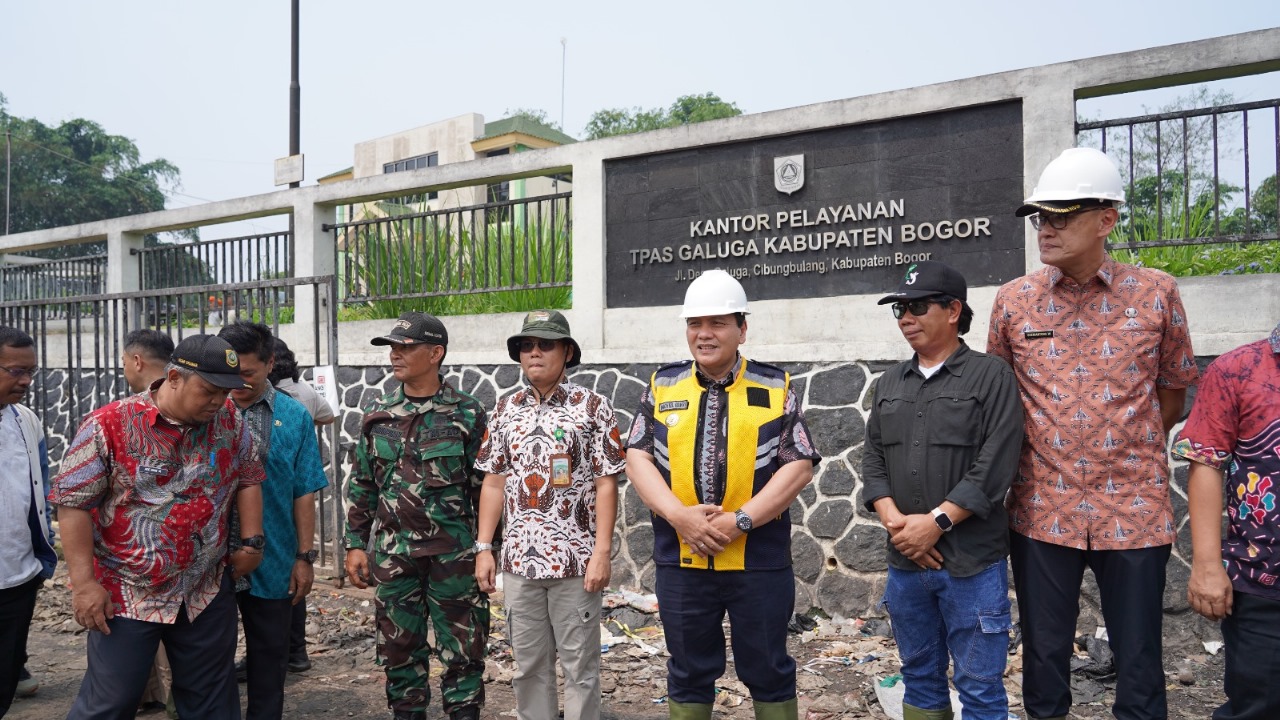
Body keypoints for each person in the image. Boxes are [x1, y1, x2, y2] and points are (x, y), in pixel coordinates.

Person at [987, 147, 1200, 720]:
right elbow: (1002, 399)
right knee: (1043, 655)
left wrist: (1120, 445)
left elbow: (1173, 391)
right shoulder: (1013, 301)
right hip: (1041, 507)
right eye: (1040, 217)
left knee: (1138, 657)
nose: (1046, 228)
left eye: (1062, 214)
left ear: (1106, 219)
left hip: (1133, 507)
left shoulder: (1157, 293)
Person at [625, 269, 821, 720]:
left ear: (742, 329)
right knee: (688, 670)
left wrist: (741, 521)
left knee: (769, 667)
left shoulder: (776, 387)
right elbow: (637, 458)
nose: (704, 334)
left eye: (718, 323)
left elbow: (799, 465)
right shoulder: (662, 385)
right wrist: (681, 518)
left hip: (759, 561)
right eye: (695, 324)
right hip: (683, 559)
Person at [50, 333, 266, 720]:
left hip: (204, 588)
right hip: (129, 592)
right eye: (210, 390)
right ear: (174, 378)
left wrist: (252, 542)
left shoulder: (230, 420)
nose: (218, 401)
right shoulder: (109, 424)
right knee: (111, 703)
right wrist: (84, 584)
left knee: (212, 703)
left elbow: (249, 476)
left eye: (227, 392)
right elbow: (73, 504)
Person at [860, 262, 1024, 720]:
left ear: (953, 310)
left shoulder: (991, 376)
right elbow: (873, 458)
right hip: (906, 562)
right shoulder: (890, 383)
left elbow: (996, 465)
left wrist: (936, 524)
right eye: (899, 310)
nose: (906, 318)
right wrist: (896, 523)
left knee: (978, 685)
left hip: (971, 563)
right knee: (919, 678)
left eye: (916, 306)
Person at [474, 310, 624, 720]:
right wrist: (485, 548)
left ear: (567, 351)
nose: (534, 352)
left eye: (545, 344)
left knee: (581, 671)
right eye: (526, 345)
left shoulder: (593, 407)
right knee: (528, 669)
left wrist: (602, 553)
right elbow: (493, 481)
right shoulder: (505, 409)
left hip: (576, 563)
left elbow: (606, 483)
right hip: (520, 563)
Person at [344, 312, 489, 720]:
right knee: (398, 651)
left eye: (405, 348)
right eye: (393, 348)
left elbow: (486, 489)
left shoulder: (467, 413)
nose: (395, 355)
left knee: (464, 650)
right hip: (394, 556)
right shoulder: (377, 414)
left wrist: (487, 549)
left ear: (436, 353)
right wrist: (356, 544)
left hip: (453, 556)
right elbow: (363, 484)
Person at [220, 323, 328, 720]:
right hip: (210, 563)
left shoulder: (294, 417)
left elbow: (304, 490)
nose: (238, 382)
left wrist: (304, 556)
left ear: (270, 364)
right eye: (231, 371)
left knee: (268, 665)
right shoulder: (207, 409)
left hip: (275, 559)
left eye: (248, 372)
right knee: (209, 666)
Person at [1173, 321, 1280, 719]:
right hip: (1264, 582)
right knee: (1259, 704)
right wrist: (1206, 566)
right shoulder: (1237, 369)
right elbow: (1205, 462)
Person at [120, 328, 179, 715]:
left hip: (144, 564)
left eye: (125, 360)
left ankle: (162, 698)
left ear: (137, 360)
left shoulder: (118, 418)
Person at [267, 336, 334, 675]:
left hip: (276, 497)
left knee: (280, 575)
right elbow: (329, 415)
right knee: (296, 570)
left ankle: (278, 654)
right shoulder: (306, 393)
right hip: (299, 495)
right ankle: (296, 651)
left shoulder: (269, 399)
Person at [0, 327, 55, 717]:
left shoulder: (25, 420)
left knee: (4, 680)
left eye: (31, 372)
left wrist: (40, 559)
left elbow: (42, 489)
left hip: (18, 577)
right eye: (15, 371)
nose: (26, 381)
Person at [123, 329, 175, 395]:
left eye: (124, 363)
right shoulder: (187, 399)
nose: (124, 372)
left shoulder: (125, 405)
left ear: (137, 362)